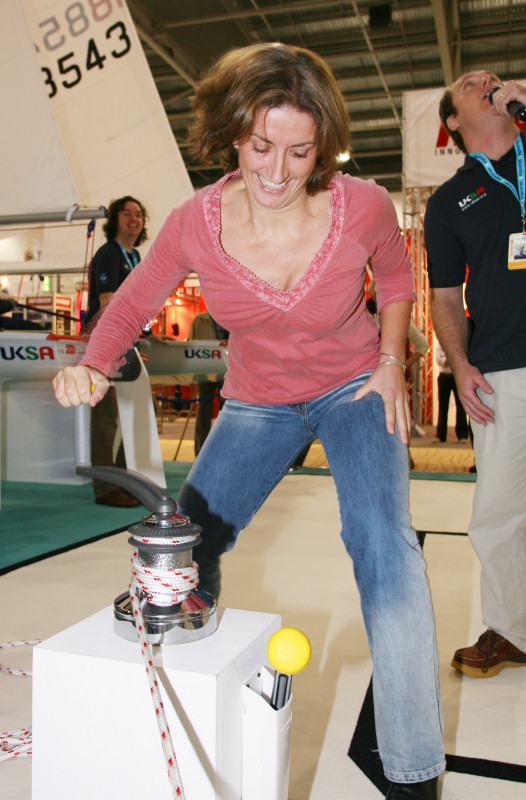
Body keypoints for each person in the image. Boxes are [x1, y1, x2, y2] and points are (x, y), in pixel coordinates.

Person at [52, 43, 444, 798]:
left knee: (383, 547)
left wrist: (393, 362)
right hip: (259, 400)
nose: (277, 169)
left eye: (300, 152)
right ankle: (182, 704)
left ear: (322, 149)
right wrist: (95, 363)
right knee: (184, 550)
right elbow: (132, 304)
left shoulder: (359, 203)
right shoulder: (194, 222)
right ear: (234, 133)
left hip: (356, 388)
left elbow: (395, 274)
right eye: (262, 146)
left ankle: (413, 772)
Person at [425, 70, 526, 678]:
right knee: (499, 511)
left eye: (490, 77)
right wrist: (459, 365)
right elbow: (444, 295)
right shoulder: (448, 201)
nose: (485, 79)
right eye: (470, 83)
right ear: (453, 123)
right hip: (503, 372)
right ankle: (512, 629)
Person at [84, 195, 149, 507]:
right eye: (127, 214)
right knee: (106, 417)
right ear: (116, 220)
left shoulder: (134, 255)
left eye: (138, 214)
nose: (134, 219)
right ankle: (104, 487)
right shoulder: (108, 254)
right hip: (104, 343)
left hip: (126, 341)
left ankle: (123, 479)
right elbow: (107, 301)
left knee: (131, 414)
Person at [187, 310, 229, 456]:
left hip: (227, 372)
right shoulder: (199, 320)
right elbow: (190, 344)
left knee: (226, 413)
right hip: (204, 371)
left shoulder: (230, 317)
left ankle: (223, 451)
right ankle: (200, 451)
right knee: (203, 411)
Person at [432, 342, 469, 443]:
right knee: (443, 407)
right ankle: (440, 435)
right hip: (444, 375)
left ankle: (463, 436)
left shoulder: (460, 342)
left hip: (458, 376)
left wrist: (452, 361)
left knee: (461, 406)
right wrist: (448, 361)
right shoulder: (440, 343)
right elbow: (438, 359)